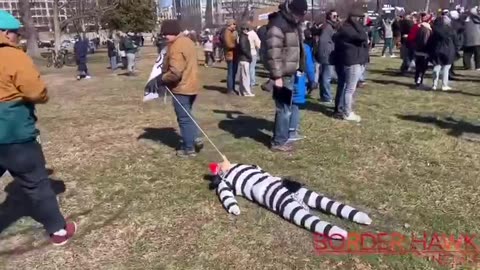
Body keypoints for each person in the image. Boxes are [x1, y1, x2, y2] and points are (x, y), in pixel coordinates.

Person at [0, 10, 76, 245]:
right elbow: (34, 90)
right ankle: (58, 230)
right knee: (36, 183)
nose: (17, 38)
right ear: (4, 33)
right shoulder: (12, 56)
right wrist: (41, 97)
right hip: (14, 133)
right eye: (15, 34)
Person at [266, 0, 308, 152]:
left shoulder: (293, 24)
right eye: (299, 14)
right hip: (282, 75)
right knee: (283, 108)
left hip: (290, 73)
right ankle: (279, 141)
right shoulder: (278, 24)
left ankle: (281, 137)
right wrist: (277, 76)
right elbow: (273, 53)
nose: (301, 18)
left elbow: (297, 48)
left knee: (287, 107)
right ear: (292, 10)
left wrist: (300, 66)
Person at [160, 20, 203, 157]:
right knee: (188, 114)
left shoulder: (176, 46)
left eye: (166, 34)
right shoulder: (188, 41)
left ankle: (188, 148)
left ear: (172, 32)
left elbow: (175, 72)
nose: (165, 37)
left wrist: (162, 79)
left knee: (183, 118)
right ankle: (195, 137)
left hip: (181, 88)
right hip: (192, 84)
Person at [332, 4, 369, 122]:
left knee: (350, 88)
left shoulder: (350, 28)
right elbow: (362, 37)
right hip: (352, 61)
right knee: (349, 89)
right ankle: (347, 112)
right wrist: (358, 25)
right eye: (360, 18)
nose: (362, 20)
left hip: (356, 60)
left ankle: (346, 109)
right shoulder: (347, 29)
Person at [289, 39, 317, 142]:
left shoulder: (281, 44)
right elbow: (309, 66)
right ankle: (292, 131)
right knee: (294, 106)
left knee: (284, 106)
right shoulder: (304, 47)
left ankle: (280, 130)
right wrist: (312, 80)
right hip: (297, 79)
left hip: (283, 78)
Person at [428, 15, 456, 91]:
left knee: (436, 67)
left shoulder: (434, 31)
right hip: (448, 50)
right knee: (446, 68)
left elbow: (430, 42)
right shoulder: (449, 29)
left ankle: (434, 85)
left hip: (437, 50)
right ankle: (444, 85)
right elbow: (455, 39)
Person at [316, 9, 338, 104]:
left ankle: (324, 96)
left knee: (324, 76)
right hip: (327, 55)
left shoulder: (331, 27)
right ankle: (327, 97)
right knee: (327, 77)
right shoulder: (327, 27)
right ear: (329, 16)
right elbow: (323, 42)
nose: (336, 18)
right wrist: (327, 54)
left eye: (337, 16)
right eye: (334, 16)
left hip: (327, 54)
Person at [410, 13, 433, 89]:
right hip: (424, 52)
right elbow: (426, 42)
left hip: (417, 51)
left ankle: (417, 80)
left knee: (418, 67)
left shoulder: (418, 28)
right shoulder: (426, 30)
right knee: (422, 68)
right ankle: (419, 82)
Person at [236, 23, 254, 97]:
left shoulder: (242, 36)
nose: (246, 30)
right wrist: (249, 56)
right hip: (244, 58)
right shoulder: (243, 37)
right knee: (246, 76)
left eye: (247, 29)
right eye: (244, 29)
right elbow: (244, 48)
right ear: (242, 30)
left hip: (242, 58)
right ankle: (246, 92)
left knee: (243, 76)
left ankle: (242, 91)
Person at [224, 20, 238, 94]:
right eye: (234, 24)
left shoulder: (232, 32)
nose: (235, 25)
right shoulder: (227, 32)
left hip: (234, 55)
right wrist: (237, 46)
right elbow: (228, 44)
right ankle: (230, 89)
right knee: (230, 72)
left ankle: (233, 88)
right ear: (230, 24)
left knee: (234, 72)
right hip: (230, 55)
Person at [247, 22, 261, 87]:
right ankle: (252, 82)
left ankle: (246, 81)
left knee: (247, 68)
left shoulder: (244, 34)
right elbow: (258, 44)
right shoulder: (253, 34)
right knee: (252, 68)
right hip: (252, 52)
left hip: (245, 53)